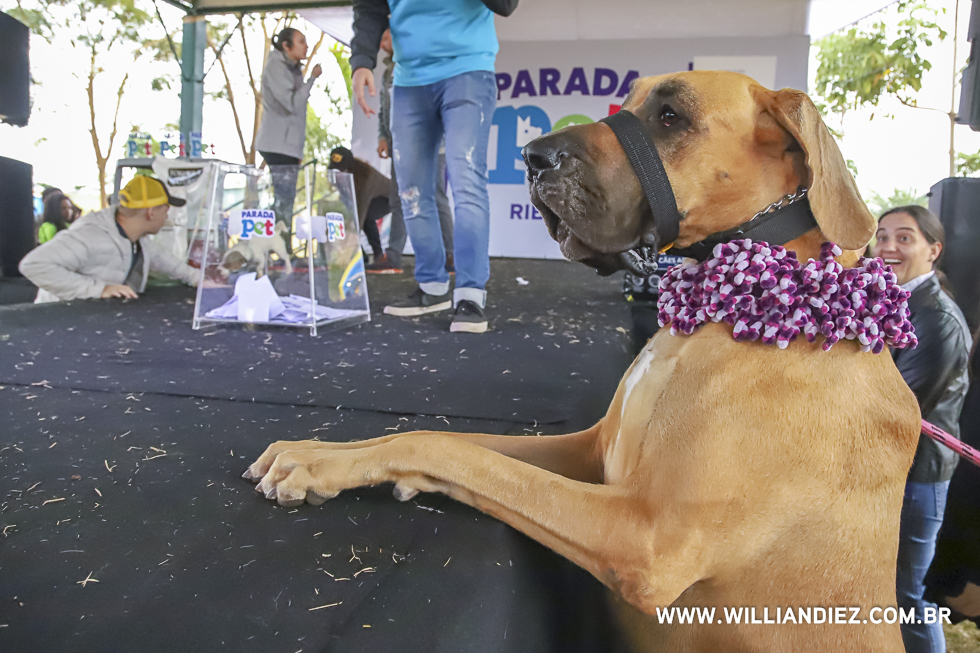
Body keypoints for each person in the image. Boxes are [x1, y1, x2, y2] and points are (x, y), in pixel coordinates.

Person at [350, 0, 518, 334]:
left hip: (468, 70)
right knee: (411, 191)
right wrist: (362, 61)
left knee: (466, 180)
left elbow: (506, 6)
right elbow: (369, 8)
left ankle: (470, 294)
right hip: (409, 79)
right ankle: (432, 286)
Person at [871, 205, 971, 653]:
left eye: (904, 238)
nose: (889, 247)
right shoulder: (893, 301)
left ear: (934, 250)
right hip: (890, 474)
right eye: (882, 236)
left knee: (908, 597)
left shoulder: (938, 319)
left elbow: (897, 407)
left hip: (918, 477)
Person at [19, 176, 201, 303]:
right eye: (166, 210)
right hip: (58, 322)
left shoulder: (137, 238)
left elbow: (163, 259)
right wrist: (99, 290)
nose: (167, 217)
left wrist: (199, 279)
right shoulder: (89, 235)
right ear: (151, 212)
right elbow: (34, 265)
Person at [375, 28, 455, 275]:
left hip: (431, 142)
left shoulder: (424, 63)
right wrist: (383, 135)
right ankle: (394, 256)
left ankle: (450, 255)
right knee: (399, 199)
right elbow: (384, 108)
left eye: (386, 36)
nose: (382, 42)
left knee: (435, 196)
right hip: (400, 143)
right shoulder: (389, 73)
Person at [254, 27, 322, 235]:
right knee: (283, 199)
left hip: (288, 145)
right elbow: (292, 104)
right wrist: (311, 80)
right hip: (278, 144)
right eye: (301, 41)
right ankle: (273, 243)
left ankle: (281, 247)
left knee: (287, 199)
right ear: (286, 45)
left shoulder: (292, 68)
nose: (306, 46)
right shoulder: (277, 66)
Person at [327, 146, 396, 271]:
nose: (339, 175)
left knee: (366, 217)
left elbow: (360, 213)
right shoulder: (342, 179)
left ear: (350, 167)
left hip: (387, 198)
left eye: (342, 170)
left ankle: (378, 255)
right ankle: (361, 254)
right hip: (368, 200)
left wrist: (347, 246)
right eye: (336, 171)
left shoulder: (365, 177)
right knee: (347, 216)